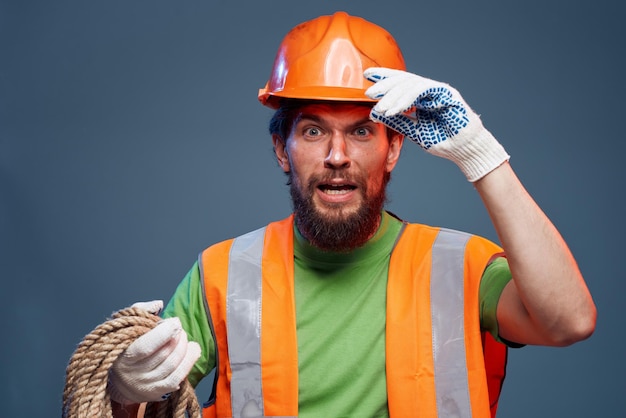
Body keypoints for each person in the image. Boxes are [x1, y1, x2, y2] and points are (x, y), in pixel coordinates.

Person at [106, 11, 596, 418]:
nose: (337, 155)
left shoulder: (461, 266)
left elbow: (568, 322)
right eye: (314, 132)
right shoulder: (223, 272)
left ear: (394, 149)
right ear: (282, 148)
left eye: (361, 132)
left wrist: (479, 153)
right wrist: (125, 393)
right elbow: (136, 412)